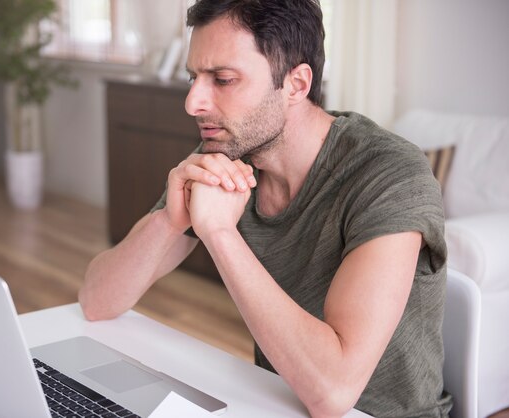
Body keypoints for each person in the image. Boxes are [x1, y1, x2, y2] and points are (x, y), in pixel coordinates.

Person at [79, 1, 452, 416]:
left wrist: (220, 234)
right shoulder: (229, 154)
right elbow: (97, 301)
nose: (193, 103)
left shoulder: (389, 174)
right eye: (194, 78)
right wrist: (171, 220)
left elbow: (333, 392)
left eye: (222, 79)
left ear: (296, 84)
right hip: (276, 404)